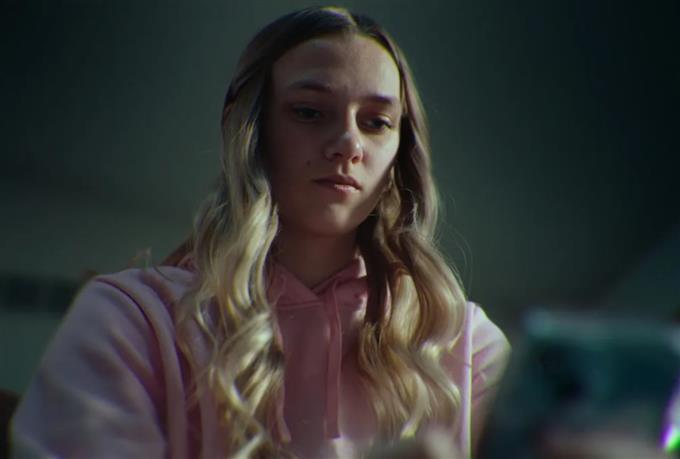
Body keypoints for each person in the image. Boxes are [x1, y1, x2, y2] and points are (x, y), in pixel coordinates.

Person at [10, 6, 510, 459]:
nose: (348, 143)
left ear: (402, 149)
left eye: (377, 122)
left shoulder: (466, 346)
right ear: (249, 130)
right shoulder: (131, 322)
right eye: (309, 112)